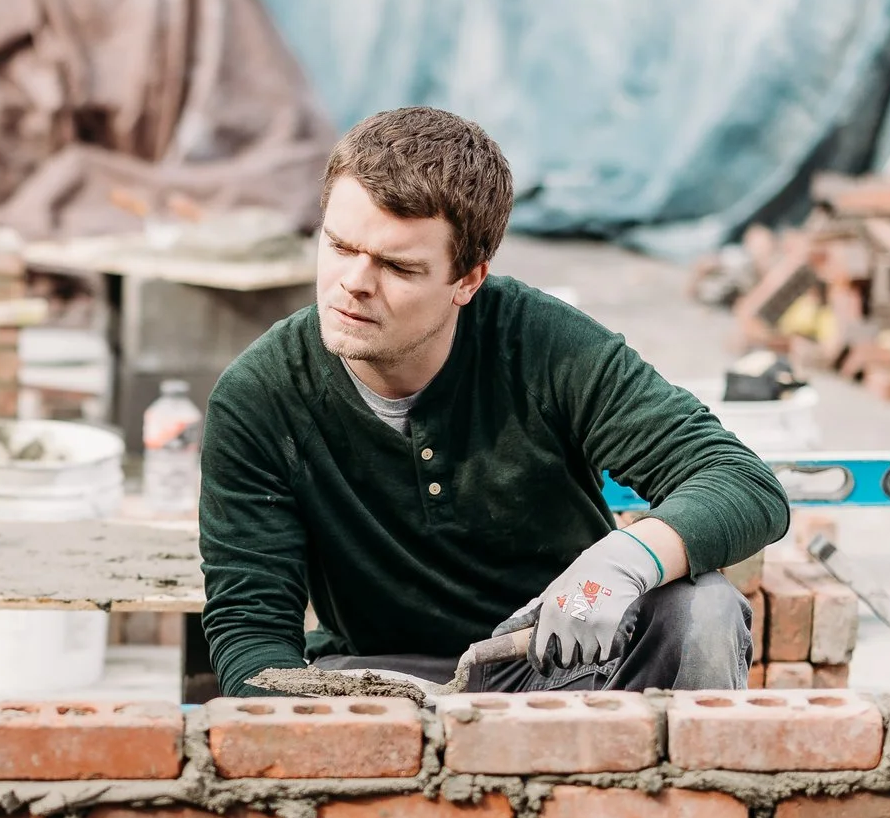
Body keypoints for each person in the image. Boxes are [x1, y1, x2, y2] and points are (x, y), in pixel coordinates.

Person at [199, 107, 790, 696]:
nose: (353, 281)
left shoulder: (543, 345)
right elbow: (250, 632)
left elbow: (741, 482)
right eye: (340, 245)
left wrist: (626, 561)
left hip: (567, 666)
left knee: (704, 610)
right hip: (379, 686)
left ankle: (688, 789)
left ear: (468, 281)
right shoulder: (261, 396)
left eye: (398, 266)